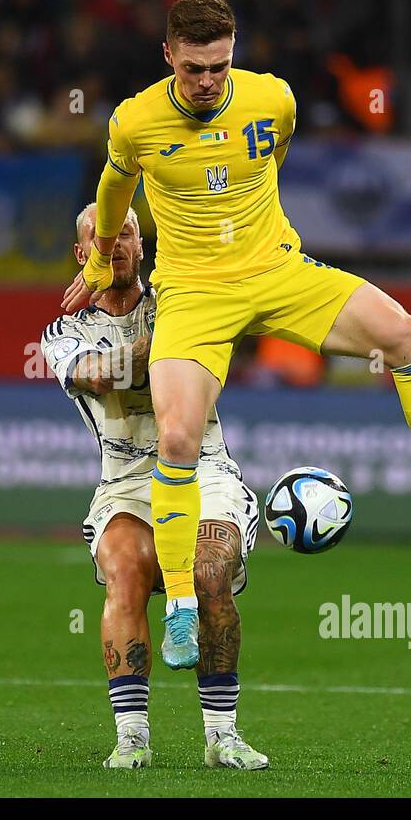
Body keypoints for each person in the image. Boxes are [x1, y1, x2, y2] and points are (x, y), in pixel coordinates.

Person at [62, 0, 411, 671]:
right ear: (168, 56)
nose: (206, 82)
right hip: (193, 293)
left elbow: (268, 157)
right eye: (193, 68)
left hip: (278, 270)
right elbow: (113, 189)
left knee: (410, 335)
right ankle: (184, 611)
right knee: (177, 437)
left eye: (219, 67)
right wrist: (104, 258)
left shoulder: (273, 100)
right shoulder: (135, 120)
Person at [42, 202, 267, 771]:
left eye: (126, 235)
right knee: (125, 572)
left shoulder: (178, 304)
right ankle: (133, 737)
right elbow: (100, 373)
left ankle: (222, 737)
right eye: (101, 238)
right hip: (125, 483)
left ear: (143, 247)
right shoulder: (65, 333)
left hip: (203, 469)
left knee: (210, 569)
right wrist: (172, 338)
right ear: (82, 255)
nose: (114, 244)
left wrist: (186, 318)